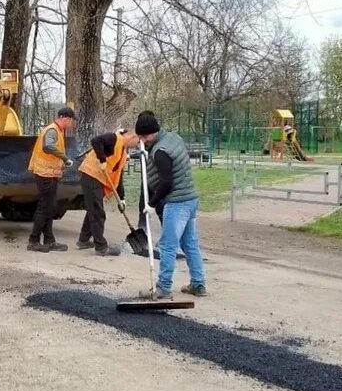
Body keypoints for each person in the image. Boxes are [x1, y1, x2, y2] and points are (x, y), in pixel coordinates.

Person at [134, 111, 207, 298]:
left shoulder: (160, 152)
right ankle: (198, 284)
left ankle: (163, 287)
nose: (143, 140)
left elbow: (167, 182)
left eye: (144, 136)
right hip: (191, 199)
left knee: (167, 246)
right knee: (190, 243)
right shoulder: (173, 138)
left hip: (177, 203)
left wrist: (151, 204)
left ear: (152, 132)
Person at [76, 128, 140, 256]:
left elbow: (118, 175)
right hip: (91, 174)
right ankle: (101, 247)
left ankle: (83, 240)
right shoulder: (114, 138)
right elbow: (96, 141)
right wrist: (102, 159)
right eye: (138, 142)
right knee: (97, 211)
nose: (137, 145)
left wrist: (122, 198)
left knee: (93, 209)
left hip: (98, 179)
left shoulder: (123, 152)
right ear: (132, 137)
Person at [27, 107, 77, 253]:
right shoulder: (53, 130)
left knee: (49, 207)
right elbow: (48, 146)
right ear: (66, 118)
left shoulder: (57, 131)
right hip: (45, 175)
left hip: (50, 174)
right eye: (72, 121)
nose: (72, 124)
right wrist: (65, 157)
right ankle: (33, 241)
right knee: (44, 208)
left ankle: (49, 240)